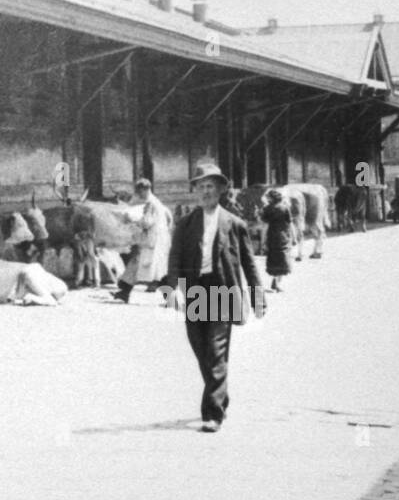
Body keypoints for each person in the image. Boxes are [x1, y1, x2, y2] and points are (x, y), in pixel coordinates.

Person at [164, 164, 265, 432]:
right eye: (201, 187)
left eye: (211, 186)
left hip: (223, 289)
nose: (206, 192)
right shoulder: (186, 224)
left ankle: (213, 414)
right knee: (201, 350)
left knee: (216, 350)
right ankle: (221, 396)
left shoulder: (235, 224)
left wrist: (257, 297)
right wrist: (173, 289)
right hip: (195, 291)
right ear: (195, 191)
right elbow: (174, 258)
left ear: (220, 190)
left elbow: (249, 263)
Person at [112, 179, 172, 302]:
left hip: (151, 242)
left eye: (139, 191)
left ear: (145, 189)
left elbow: (147, 222)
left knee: (156, 271)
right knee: (140, 267)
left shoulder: (150, 204)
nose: (138, 194)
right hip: (156, 241)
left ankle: (170, 298)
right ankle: (124, 292)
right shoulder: (157, 203)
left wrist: (132, 220)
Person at [260, 188, 293, 293]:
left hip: (272, 237)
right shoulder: (285, 208)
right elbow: (290, 224)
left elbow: (265, 226)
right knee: (283, 259)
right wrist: (294, 237)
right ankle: (277, 282)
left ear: (270, 198)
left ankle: (275, 281)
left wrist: (263, 240)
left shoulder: (267, 209)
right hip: (284, 236)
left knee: (273, 259)